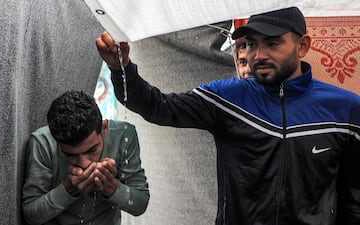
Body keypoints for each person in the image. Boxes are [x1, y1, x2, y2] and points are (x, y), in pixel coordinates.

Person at [96, 6, 360, 225]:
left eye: (272, 43)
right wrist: (121, 70)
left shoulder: (345, 109)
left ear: (302, 46)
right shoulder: (227, 98)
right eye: (251, 44)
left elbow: (353, 193)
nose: (259, 55)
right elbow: (158, 107)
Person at [22, 90, 149, 225]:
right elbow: (32, 215)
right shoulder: (43, 143)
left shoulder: (123, 135)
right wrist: (68, 188)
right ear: (56, 140)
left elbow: (140, 204)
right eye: (70, 155)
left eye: (92, 150)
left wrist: (112, 188)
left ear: (104, 128)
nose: (84, 163)